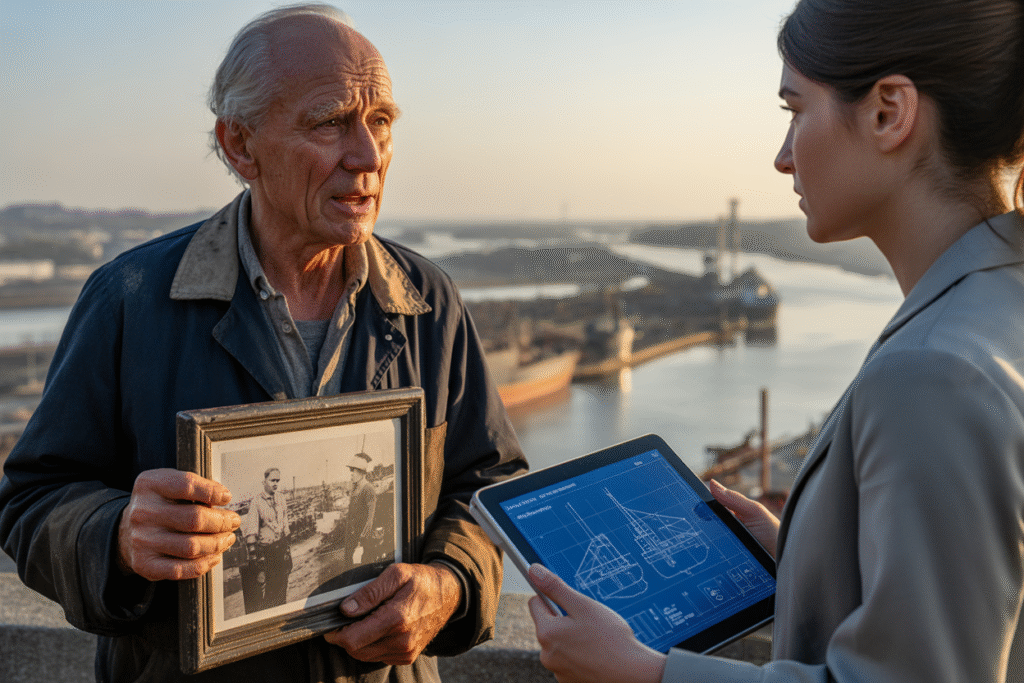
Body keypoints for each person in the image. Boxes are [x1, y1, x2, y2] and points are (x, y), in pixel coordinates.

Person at [0, 4, 526, 682]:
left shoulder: (428, 297)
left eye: (382, 122)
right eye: (331, 121)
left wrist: (449, 584)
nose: (367, 156)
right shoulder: (128, 297)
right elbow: (30, 500)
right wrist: (116, 536)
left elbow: (490, 485)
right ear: (240, 145)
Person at [527, 1, 1024, 681]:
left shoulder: (934, 369)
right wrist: (806, 550)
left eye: (795, 109)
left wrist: (644, 673)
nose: (782, 156)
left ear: (889, 113)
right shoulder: (998, 307)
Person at [240, 467, 293, 612]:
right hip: (268, 553)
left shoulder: (281, 498)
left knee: (283, 588)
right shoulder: (256, 502)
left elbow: (286, 525)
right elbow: (251, 532)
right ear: (264, 482)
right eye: (272, 480)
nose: (275, 483)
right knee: (270, 593)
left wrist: (288, 550)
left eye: (277, 480)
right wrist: (256, 560)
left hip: (282, 549)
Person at [343, 452, 377, 567]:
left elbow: (370, 517)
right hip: (352, 532)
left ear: (362, 472)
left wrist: (362, 537)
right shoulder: (355, 488)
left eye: (353, 470)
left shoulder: (368, 488)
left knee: (362, 562)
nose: (351, 473)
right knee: (348, 560)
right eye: (350, 470)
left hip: (362, 535)